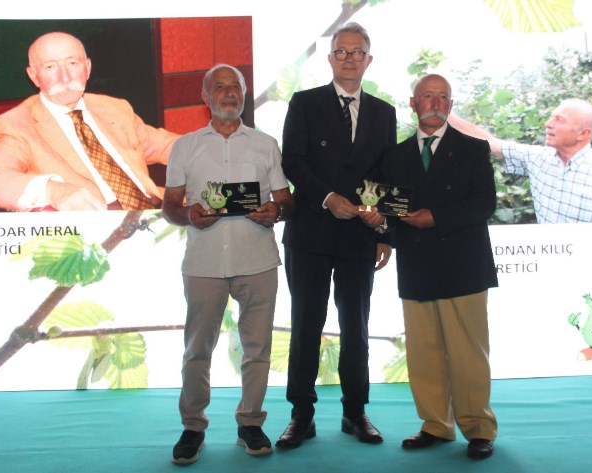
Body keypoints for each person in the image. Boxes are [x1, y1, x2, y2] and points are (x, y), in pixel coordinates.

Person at [162, 64, 294, 464]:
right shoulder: (185, 146)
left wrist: (276, 211)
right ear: (205, 97)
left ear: (244, 93)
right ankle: (193, 427)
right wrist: (189, 214)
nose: (229, 92)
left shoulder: (266, 144)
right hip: (203, 262)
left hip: (258, 260)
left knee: (257, 348)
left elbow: (285, 200)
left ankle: (250, 423)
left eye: (235, 86)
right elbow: (170, 207)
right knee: (197, 350)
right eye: (219, 87)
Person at [361, 74, 498, 460]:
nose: (435, 104)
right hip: (416, 264)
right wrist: (381, 230)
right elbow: (383, 204)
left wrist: (435, 217)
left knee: (469, 354)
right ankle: (436, 425)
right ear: (413, 103)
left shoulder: (473, 149)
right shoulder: (395, 156)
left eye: (443, 97)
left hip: (464, 265)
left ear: (450, 105)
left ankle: (478, 429)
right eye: (427, 97)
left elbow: (484, 203)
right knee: (424, 352)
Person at [276, 22, 397, 448]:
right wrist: (328, 198)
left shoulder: (384, 112)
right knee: (306, 327)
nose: (349, 58)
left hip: (360, 237)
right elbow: (292, 161)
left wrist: (384, 230)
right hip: (310, 232)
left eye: (356, 51)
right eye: (341, 51)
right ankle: (301, 416)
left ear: (369, 59)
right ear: (330, 59)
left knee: (356, 328)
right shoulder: (305, 103)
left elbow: (387, 175)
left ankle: (355, 412)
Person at [0, 31, 179, 211]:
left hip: (157, 208)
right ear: (33, 76)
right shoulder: (15, 125)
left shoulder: (113, 107)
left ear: (87, 68)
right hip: (101, 222)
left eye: (72, 63)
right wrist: (52, 190)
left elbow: (162, 145)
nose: (64, 77)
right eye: (50, 67)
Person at [449, 99, 592, 223]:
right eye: (551, 118)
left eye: (559, 120)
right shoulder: (539, 159)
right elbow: (487, 142)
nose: (548, 124)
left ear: (584, 133)